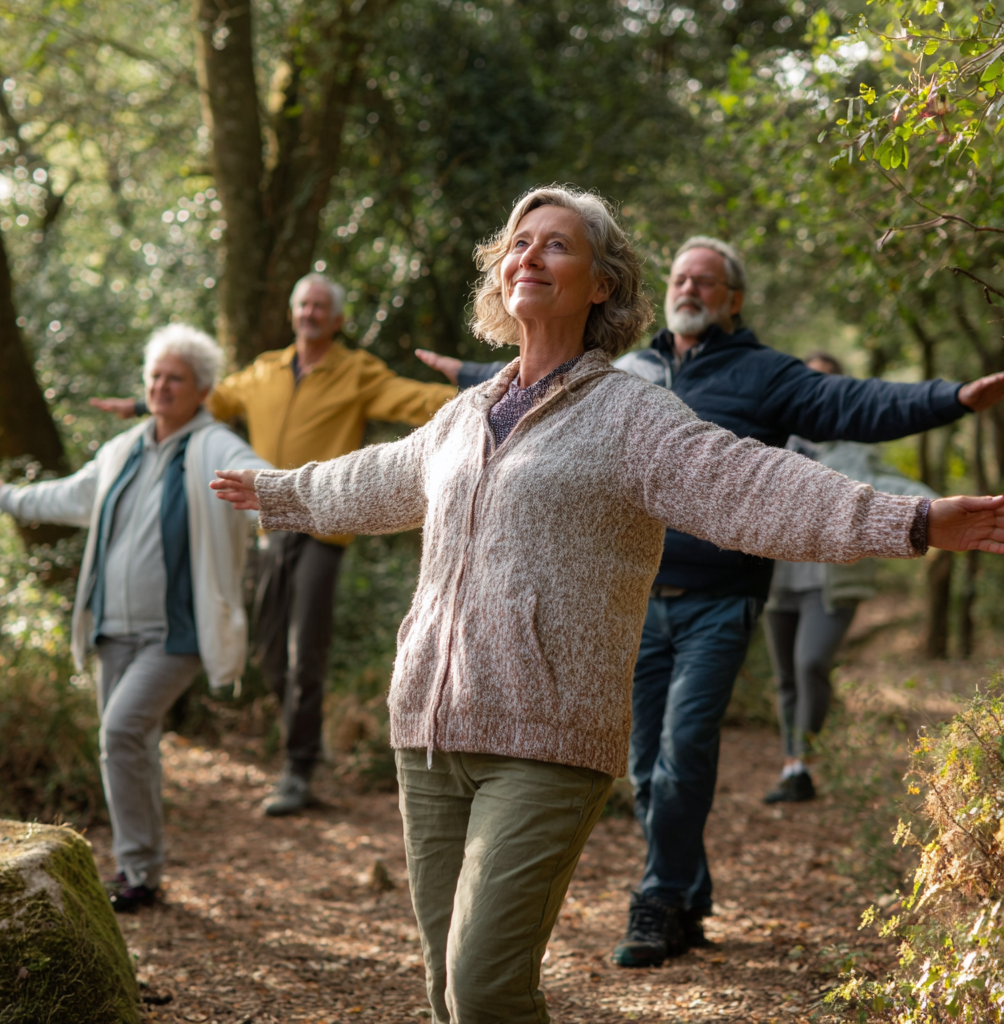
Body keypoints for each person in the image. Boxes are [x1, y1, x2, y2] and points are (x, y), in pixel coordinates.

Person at [210, 185, 1004, 1024]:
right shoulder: (464, 417)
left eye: (557, 244)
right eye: (520, 242)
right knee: (446, 995)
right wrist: (279, 492)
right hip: (430, 732)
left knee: (484, 990)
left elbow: (752, 486)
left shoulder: (631, 414)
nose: (531, 256)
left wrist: (912, 521)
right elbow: (375, 479)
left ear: (602, 283)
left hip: (546, 737)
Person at [415, 235, 1004, 966]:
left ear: (733, 300)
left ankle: (659, 898)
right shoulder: (631, 373)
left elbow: (853, 402)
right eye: (681, 279)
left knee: (682, 753)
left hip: (719, 600)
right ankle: (689, 888)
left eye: (706, 281)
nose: (689, 289)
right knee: (640, 767)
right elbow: (541, 385)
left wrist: (954, 398)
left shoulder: (763, 375)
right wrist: (466, 373)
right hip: (628, 605)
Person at [92, 274, 457, 815]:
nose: (309, 313)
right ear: (293, 314)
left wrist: (489, 386)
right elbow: (204, 399)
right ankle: (299, 753)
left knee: (303, 653)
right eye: (302, 304)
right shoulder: (262, 372)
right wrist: (145, 406)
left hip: (321, 525)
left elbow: (413, 399)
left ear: (336, 320)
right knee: (269, 652)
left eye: (320, 307)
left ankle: (298, 772)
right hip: (269, 524)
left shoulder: (357, 373)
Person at [0, 325, 269, 912]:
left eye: (176, 378)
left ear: (202, 389)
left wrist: (281, 488)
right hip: (112, 628)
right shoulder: (122, 450)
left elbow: (254, 470)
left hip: (175, 635)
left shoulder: (213, 445)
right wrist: (0, 493)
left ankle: (139, 871)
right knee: (129, 742)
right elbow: (68, 496)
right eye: (155, 376)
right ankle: (142, 870)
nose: (162, 386)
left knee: (120, 731)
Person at [762, 351, 940, 804]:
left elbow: (899, 486)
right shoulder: (773, 442)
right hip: (777, 582)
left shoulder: (857, 449)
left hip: (833, 582)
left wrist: (944, 511)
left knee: (810, 664)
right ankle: (792, 767)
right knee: (785, 676)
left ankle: (806, 759)